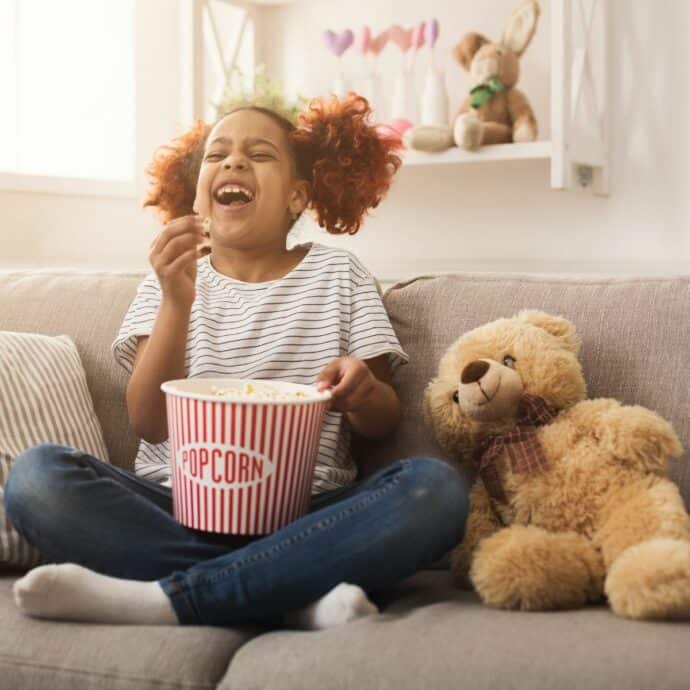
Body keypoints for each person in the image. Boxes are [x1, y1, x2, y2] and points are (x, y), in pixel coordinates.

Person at [4, 93, 469, 630]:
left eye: (260, 154)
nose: (233, 162)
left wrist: (363, 392)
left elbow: (381, 423)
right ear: (198, 194)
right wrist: (177, 299)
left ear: (297, 197)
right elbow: (149, 422)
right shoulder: (167, 280)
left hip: (306, 515)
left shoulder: (340, 275)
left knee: (433, 489)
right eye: (216, 154)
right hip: (174, 506)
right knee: (36, 477)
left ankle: (166, 598)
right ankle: (290, 598)